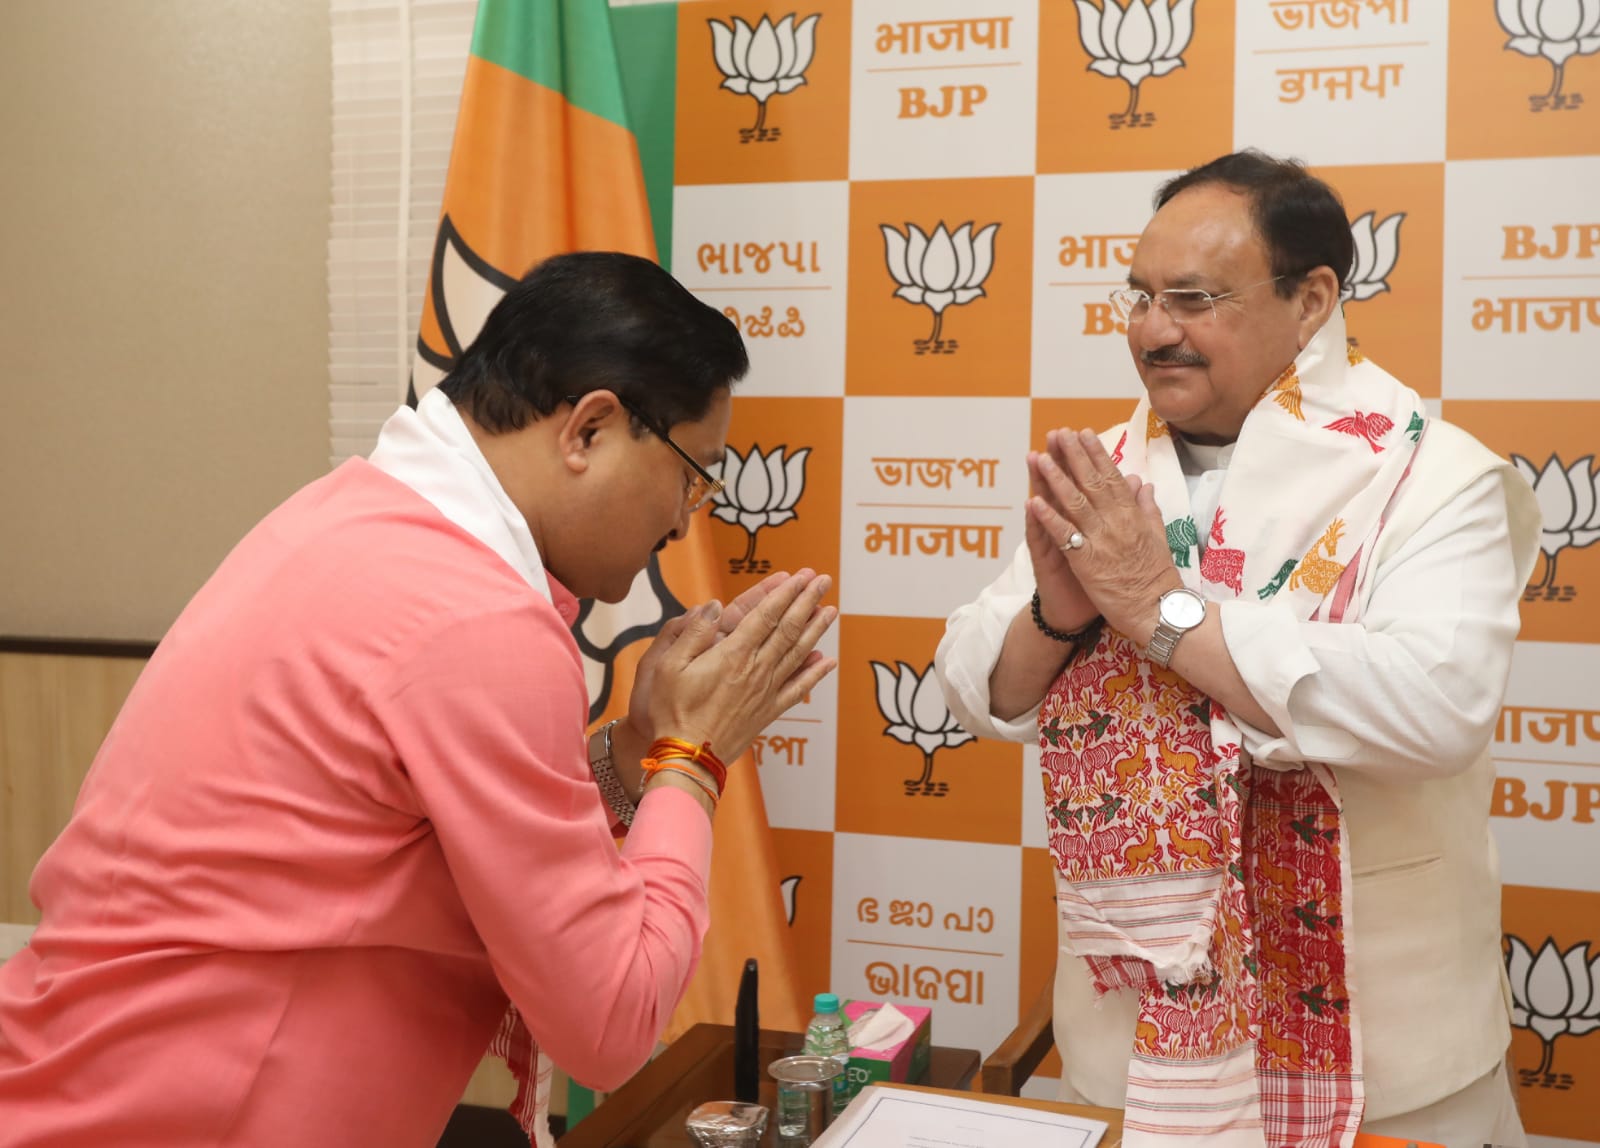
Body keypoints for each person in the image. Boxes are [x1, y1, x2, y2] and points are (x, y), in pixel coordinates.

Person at [0, 252, 838, 1148]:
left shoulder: (363, 516)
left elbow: (438, 842)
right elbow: (610, 1025)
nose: (683, 521)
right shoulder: (473, 618)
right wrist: (693, 757)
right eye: (690, 473)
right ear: (590, 429)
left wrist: (635, 748)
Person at [936, 151, 1539, 1148]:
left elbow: (1434, 709)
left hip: (1383, 1052)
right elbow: (971, 686)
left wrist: (1163, 614)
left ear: (1309, 300)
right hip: (1134, 1044)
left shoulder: (1434, 475)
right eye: (1138, 295)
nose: (1152, 329)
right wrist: (1052, 614)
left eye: (1192, 297)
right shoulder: (1107, 468)